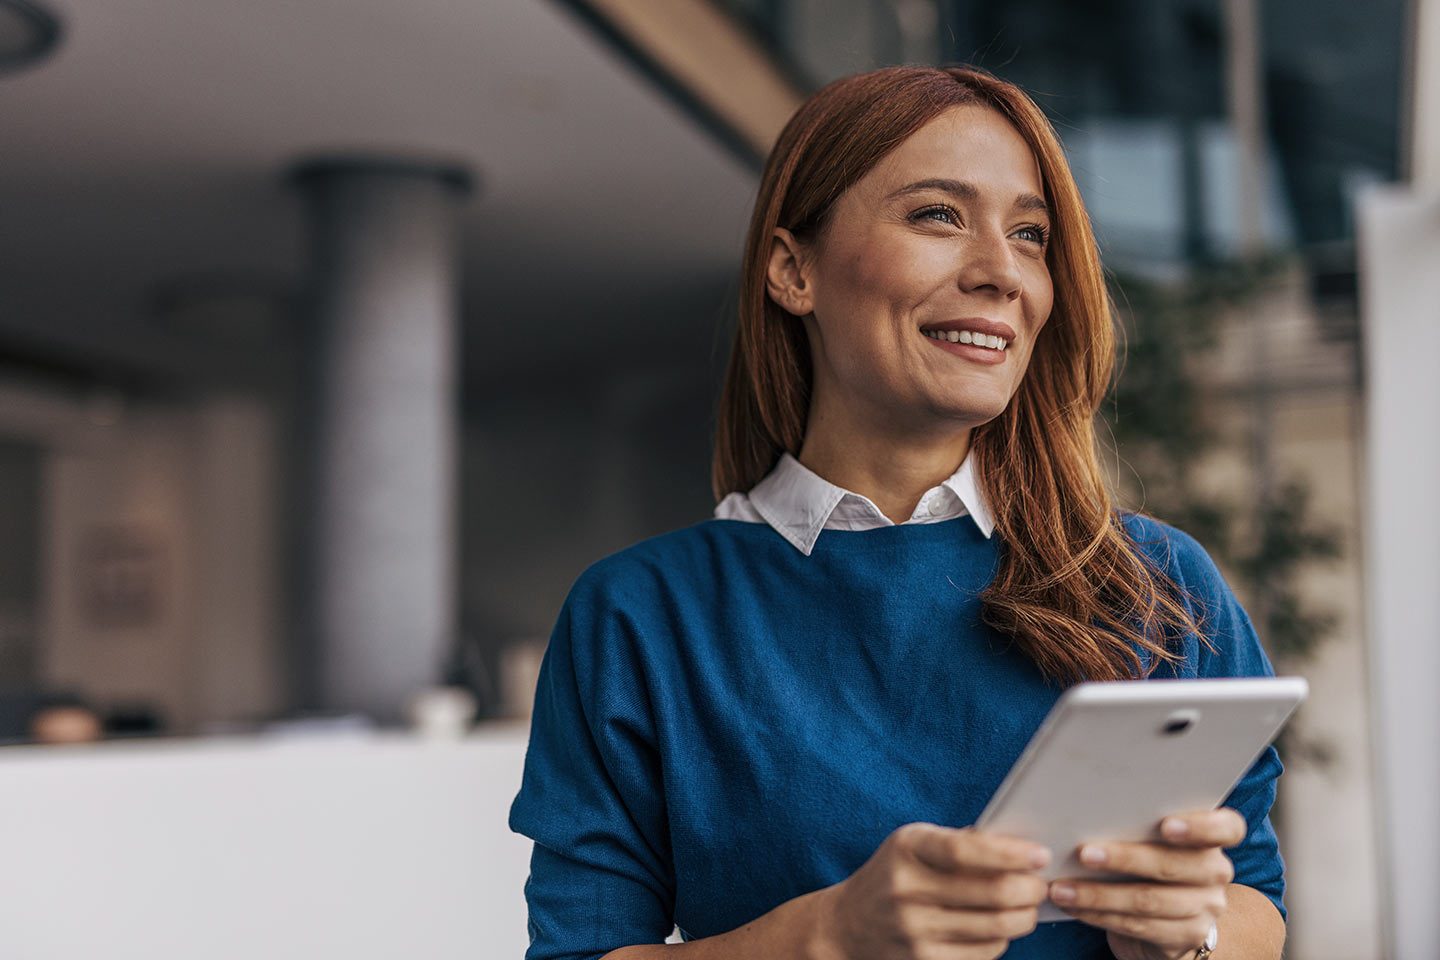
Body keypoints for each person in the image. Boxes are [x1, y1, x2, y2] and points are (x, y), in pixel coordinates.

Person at [509, 64, 1287, 960]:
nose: (1003, 274)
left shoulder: (1154, 580)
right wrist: (827, 936)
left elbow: (1255, 905)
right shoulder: (639, 617)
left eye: (1031, 235)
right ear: (793, 270)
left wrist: (1186, 936)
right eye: (938, 216)